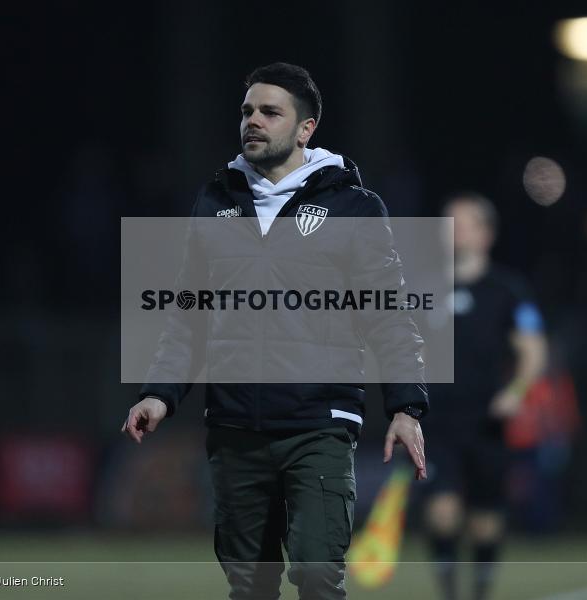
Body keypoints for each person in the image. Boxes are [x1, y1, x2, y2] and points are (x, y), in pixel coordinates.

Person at [121, 62, 428, 600]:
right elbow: (189, 312)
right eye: (246, 111)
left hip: (320, 425)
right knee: (250, 585)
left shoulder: (353, 207)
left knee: (316, 574)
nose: (253, 122)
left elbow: (387, 312)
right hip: (235, 425)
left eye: (269, 112)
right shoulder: (215, 200)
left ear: (306, 128)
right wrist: (158, 392)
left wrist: (406, 406)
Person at [419, 193, 547, 600]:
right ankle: (450, 593)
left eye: (462, 222)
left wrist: (516, 392)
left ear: (486, 233)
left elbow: (533, 350)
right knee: (442, 514)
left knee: (485, 521)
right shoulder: (423, 286)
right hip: (437, 422)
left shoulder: (508, 289)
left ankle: (481, 590)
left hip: (487, 421)